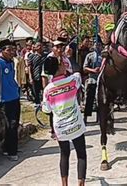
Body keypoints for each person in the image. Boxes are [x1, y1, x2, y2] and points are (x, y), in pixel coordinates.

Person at [42, 57, 87, 186]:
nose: (64, 65)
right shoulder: (73, 80)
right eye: (62, 64)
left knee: (64, 154)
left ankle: (64, 184)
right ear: (59, 67)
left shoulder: (48, 89)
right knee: (81, 155)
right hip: (76, 124)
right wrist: (69, 56)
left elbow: (46, 109)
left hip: (60, 127)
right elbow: (78, 72)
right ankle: (81, 184)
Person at [83, 38, 103, 124]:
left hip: (101, 79)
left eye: (98, 44)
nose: (97, 46)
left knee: (100, 99)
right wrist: (92, 70)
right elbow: (84, 68)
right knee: (89, 99)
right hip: (91, 79)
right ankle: (86, 118)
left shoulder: (103, 56)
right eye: (95, 44)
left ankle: (99, 118)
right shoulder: (89, 55)